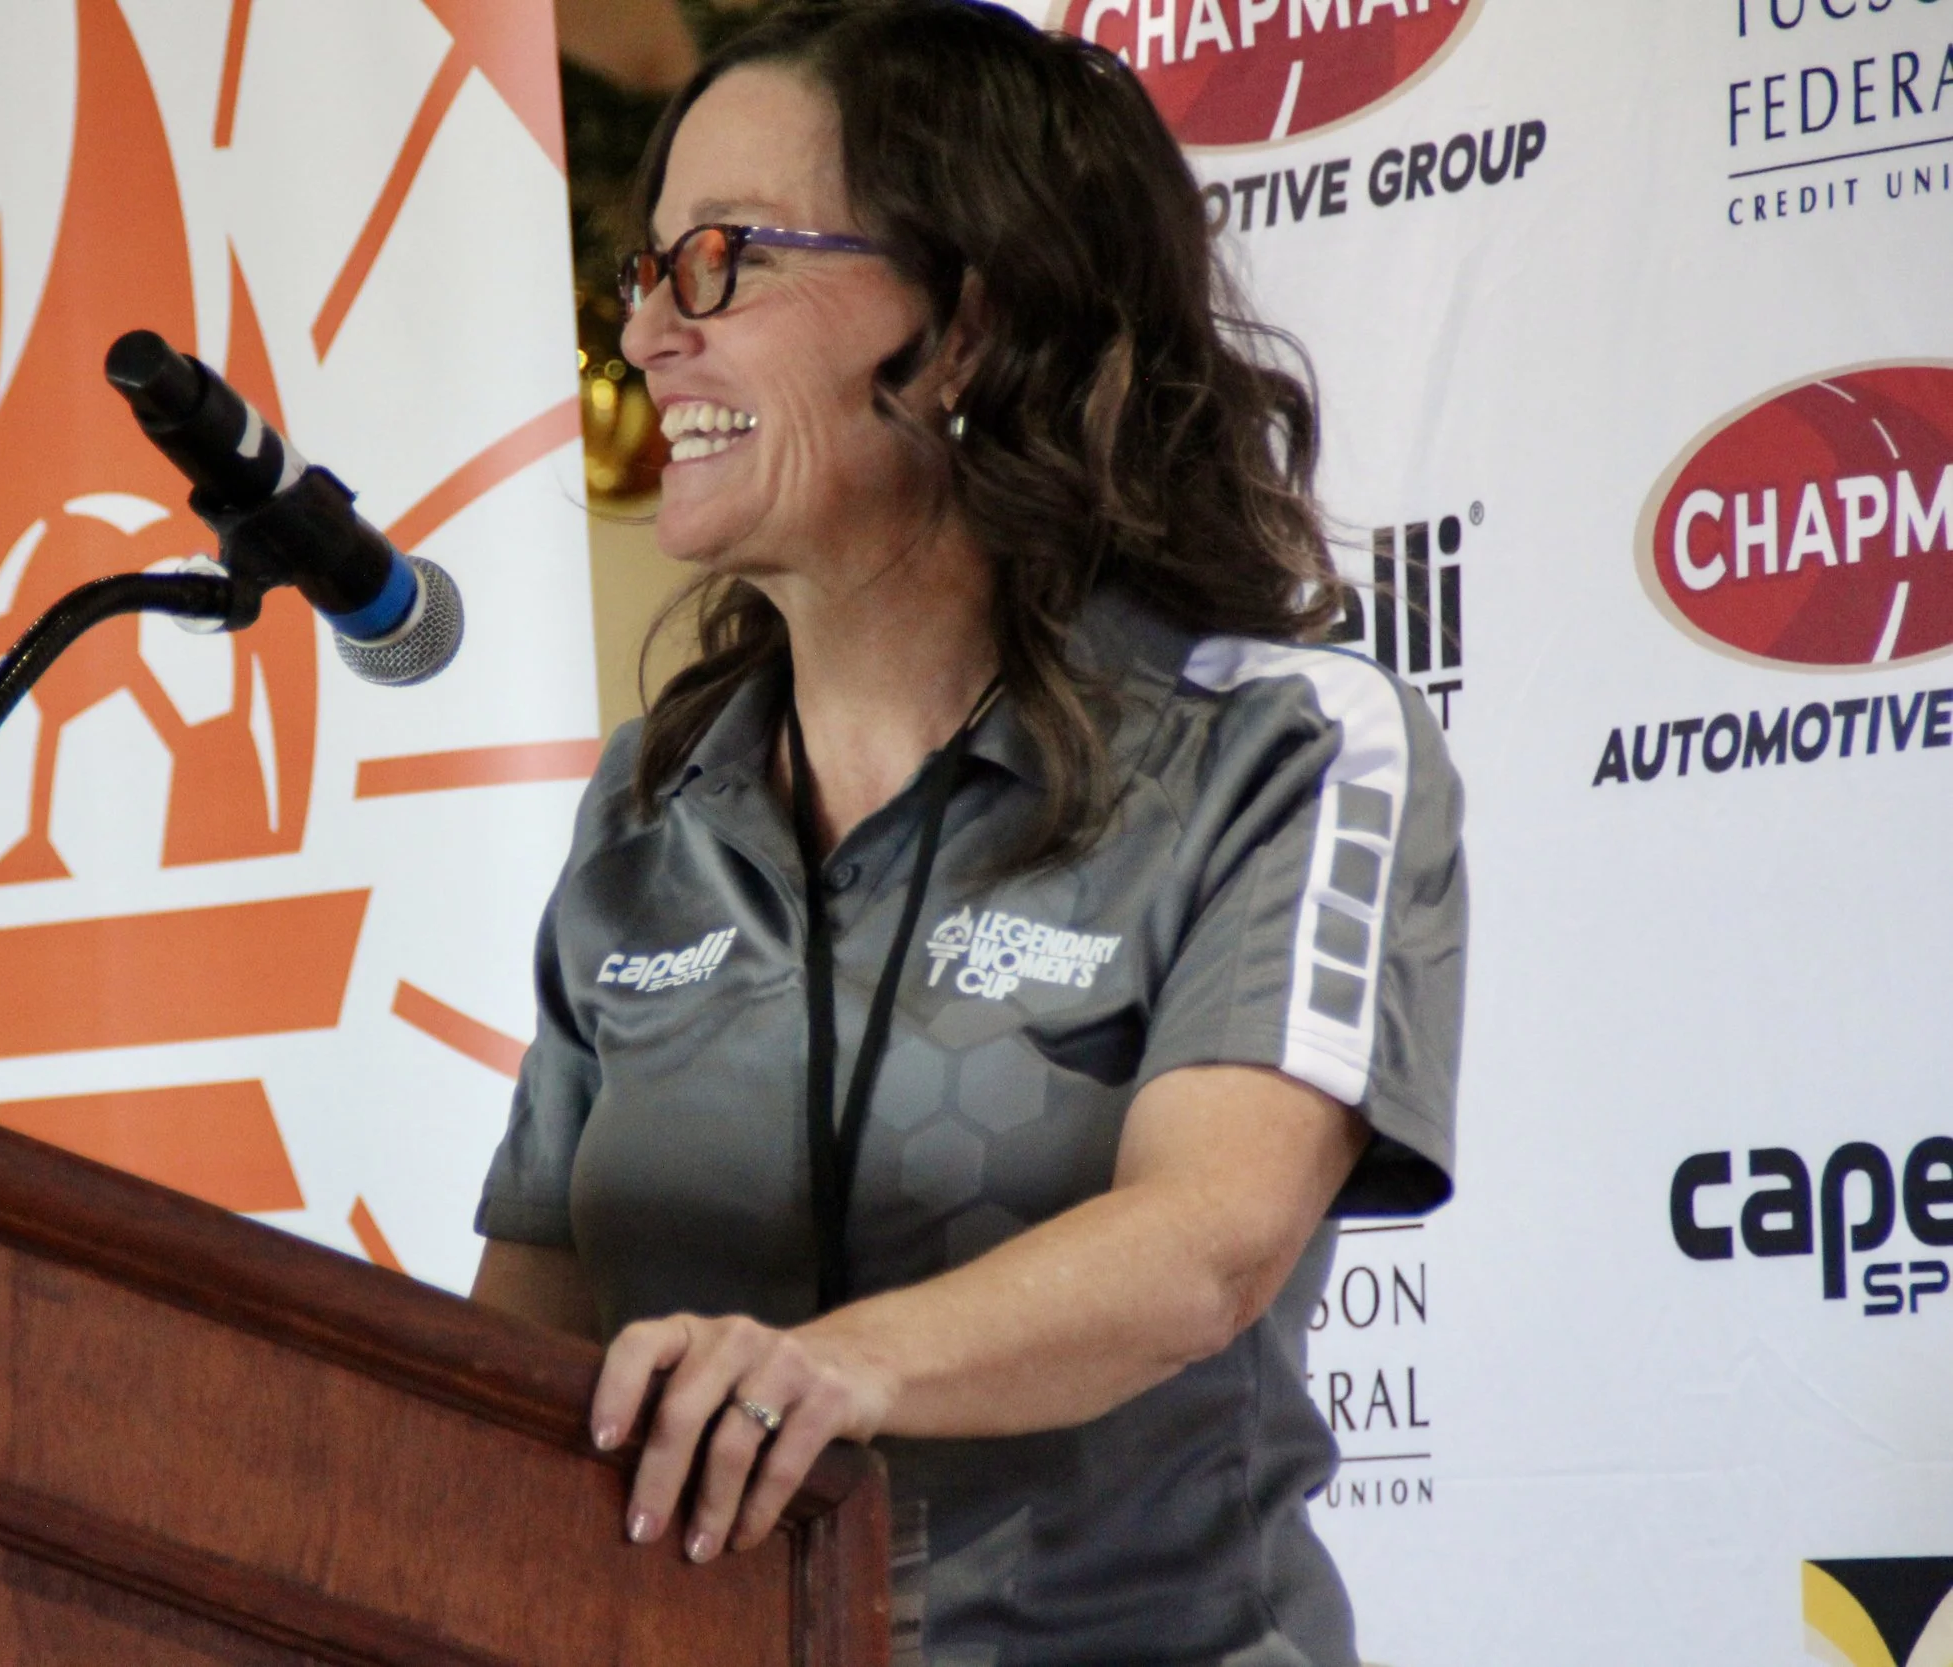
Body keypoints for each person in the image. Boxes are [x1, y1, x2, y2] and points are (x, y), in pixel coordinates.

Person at [472, 3, 1465, 1662]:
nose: (649, 334)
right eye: (645, 274)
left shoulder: (1276, 740)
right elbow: (516, 1349)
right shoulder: (652, 797)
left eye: (720, 261)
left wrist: (838, 1362)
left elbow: (1207, 1245)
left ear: (962, 331)